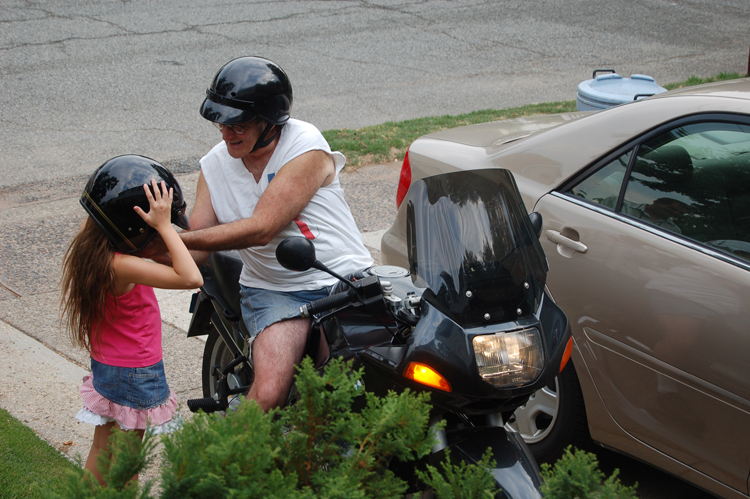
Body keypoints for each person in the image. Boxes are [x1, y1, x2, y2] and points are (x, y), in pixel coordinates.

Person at [176, 56, 373, 412]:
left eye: (237, 124)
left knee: (354, 383)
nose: (225, 132)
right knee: (268, 394)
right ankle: (222, 464)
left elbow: (263, 227)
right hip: (274, 290)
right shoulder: (214, 166)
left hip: (342, 276)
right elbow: (197, 250)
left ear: (270, 122)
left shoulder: (304, 145)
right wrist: (140, 247)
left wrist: (175, 240)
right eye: (220, 122)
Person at [60, 155, 203, 485]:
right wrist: (165, 226)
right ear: (134, 227)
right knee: (128, 457)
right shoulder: (121, 265)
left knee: (102, 446)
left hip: (107, 365)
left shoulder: (91, 249)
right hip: (136, 370)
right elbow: (191, 277)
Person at [601, 195, 690, 234]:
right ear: (656, 202)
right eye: (672, 209)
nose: (676, 213)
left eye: (680, 213)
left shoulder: (674, 231)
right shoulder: (618, 203)